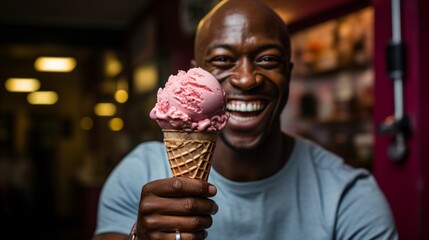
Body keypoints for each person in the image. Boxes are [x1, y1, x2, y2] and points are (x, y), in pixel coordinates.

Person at [93, 0, 397, 239]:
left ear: (289, 74)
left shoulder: (349, 195)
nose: (247, 79)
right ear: (196, 71)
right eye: (224, 60)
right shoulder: (139, 173)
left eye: (267, 59)